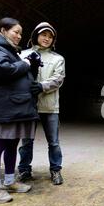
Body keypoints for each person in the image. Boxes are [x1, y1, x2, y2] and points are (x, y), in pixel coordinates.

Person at [0, 17, 42, 203]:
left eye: (20, 33)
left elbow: (20, 73)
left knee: (11, 145)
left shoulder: (12, 51)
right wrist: (24, 63)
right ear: (3, 30)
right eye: (15, 32)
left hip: (18, 107)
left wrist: (31, 66)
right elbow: (3, 68)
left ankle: (9, 181)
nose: (19, 36)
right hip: (6, 108)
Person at [17, 22, 66, 185]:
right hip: (28, 106)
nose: (46, 39)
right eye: (43, 35)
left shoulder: (57, 59)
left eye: (50, 37)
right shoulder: (22, 55)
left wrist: (41, 86)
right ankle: (24, 170)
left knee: (53, 142)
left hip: (50, 106)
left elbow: (58, 79)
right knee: (26, 141)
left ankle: (56, 170)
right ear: (36, 35)